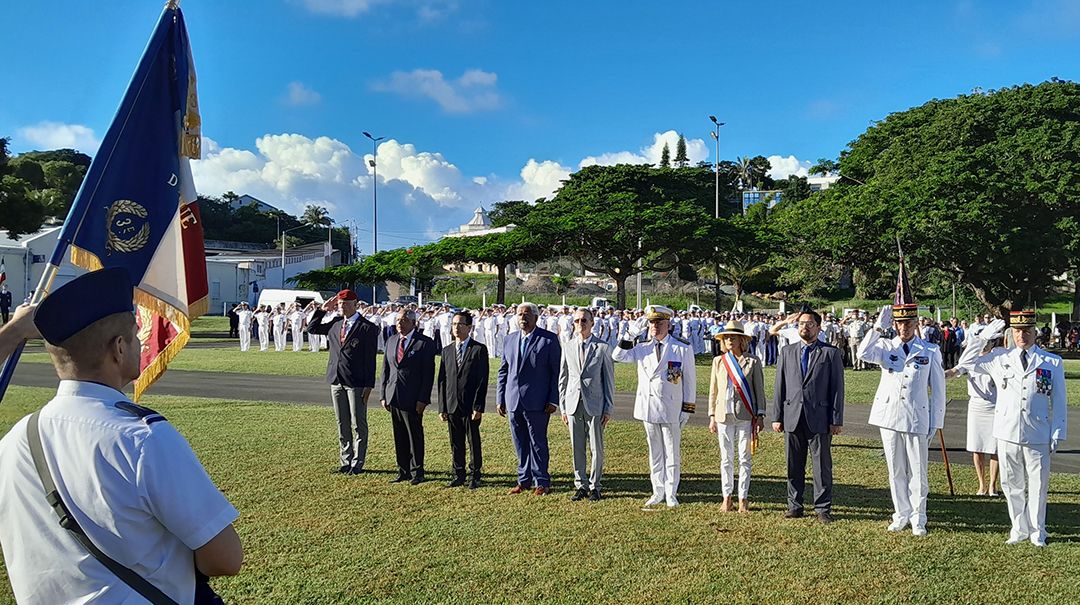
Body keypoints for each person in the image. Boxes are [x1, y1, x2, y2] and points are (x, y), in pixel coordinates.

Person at [0, 268, 242, 604]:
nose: (141, 343)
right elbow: (225, 558)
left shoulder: (15, 440)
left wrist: (12, 332)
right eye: (135, 335)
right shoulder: (140, 438)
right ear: (118, 348)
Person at [956, 312, 1068, 547]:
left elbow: (1059, 401)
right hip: (1007, 431)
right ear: (1011, 334)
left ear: (1035, 333)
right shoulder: (1000, 358)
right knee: (1011, 483)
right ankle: (1018, 528)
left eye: (1026, 331)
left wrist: (1058, 431)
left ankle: (1038, 531)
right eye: (1017, 331)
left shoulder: (1051, 362)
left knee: (1038, 484)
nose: (1022, 336)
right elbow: (966, 364)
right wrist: (980, 338)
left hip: (1038, 431)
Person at [859, 301, 945, 536]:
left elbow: (938, 390)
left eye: (908, 323)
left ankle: (919, 517)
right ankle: (901, 514)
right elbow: (862, 353)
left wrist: (936, 421)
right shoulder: (886, 346)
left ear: (917, 323)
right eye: (900, 323)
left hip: (917, 417)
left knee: (918, 471)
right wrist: (877, 328)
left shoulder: (930, 350)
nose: (904, 327)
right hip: (889, 416)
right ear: (894, 324)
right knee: (896, 469)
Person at [612, 305, 696, 509]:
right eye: (651, 322)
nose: (654, 326)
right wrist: (631, 333)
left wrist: (687, 408)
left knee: (672, 451)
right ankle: (657, 491)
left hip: (671, 407)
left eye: (659, 322)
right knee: (655, 452)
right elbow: (617, 356)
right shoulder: (641, 347)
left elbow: (689, 381)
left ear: (668, 324)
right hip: (648, 406)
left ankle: (671, 492)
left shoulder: (681, 347)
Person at [772, 308, 845, 523]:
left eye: (810, 324)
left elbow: (837, 389)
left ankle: (822, 507)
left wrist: (836, 419)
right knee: (793, 464)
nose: (805, 327)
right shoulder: (787, 352)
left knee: (821, 466)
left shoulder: (830, 353)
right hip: (792, 415)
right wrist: (777, 416)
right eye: (801, 323)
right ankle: (794, 505)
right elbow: (780, 386)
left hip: (819, 417)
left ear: (818, 327)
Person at [306, 290, 379, 474]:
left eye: (346, 303)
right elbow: (312, 329)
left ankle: (358, 463)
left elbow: (370, 359)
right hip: (336, 379)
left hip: (356, 382)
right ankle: (345, 460)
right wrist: (322, 310)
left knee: (358, 423)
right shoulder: (336, 323)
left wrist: (369, 385)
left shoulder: (367, 327)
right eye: (340, 303)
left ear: (355, 304)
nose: (342, 306)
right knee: (342, 422)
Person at [497, 302, 561, 495]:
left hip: (538, 402)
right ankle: (523, 480)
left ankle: (541, 480)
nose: (522, 318)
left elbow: (556, 372)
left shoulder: (548, 340)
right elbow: (503, 371)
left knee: (537, 442)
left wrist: (553, 399)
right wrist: (501, 398)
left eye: (526, 314)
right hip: (513, 400)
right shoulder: (510, 339)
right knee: (520, 442)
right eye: (519, 314)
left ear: (536, 317)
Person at [708, 320, 766, 514]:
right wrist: (712, 416)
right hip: (723, 415)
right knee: (726, 458)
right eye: (726, 337)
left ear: (742, 340)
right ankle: (727, 497)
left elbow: (759, 391)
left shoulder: (753, 361)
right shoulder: (718, 361)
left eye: (733, 336)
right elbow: (713, 391)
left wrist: (760, 415)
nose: (729, 340)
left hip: (745, 415)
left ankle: (743, 498)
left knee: (744, 457)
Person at [558, 308, 615, 502]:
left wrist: (608, 407)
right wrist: (563, 408)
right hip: (573, 403)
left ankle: (595, 486)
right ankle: (580, 484)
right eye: (576, 321)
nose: (580, 324)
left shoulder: (602, 347)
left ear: (592, 323)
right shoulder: (567, 346)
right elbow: (563, 379)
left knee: (596, 448)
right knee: (577, 446)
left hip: (595, 403)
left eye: (584, 320)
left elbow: (608, 380)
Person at [381, 309, 438, 485]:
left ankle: (417, 471)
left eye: (404, 320)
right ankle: (403, 470)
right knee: (399, 435)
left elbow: (428, 374)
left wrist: (423, 399)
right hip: (393, 395)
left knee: (414, 435)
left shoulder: (424, 343)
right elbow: (386, 370)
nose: (400, 323)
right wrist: (383, 394)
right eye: (398, 320)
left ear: (414, 323)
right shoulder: (391, 341)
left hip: (413, 398)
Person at [438, 311, 489, 489]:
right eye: (453, 324)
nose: (456, 328)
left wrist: (478, 406)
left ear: (469, 327)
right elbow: (442, 380)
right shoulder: (447, 350)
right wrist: (442, 406)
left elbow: (482, 379)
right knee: (455, 441)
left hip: (470, 405)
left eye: (460, 324)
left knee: (473, 440)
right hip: (452, 404)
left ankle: (475, 474)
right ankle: (458, 473)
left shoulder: (478, 349)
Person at [946, 336, 1001, 496]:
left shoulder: (997, 359)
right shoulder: (970, 360)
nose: (985, 345)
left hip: (994, 405)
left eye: (988, 342)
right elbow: (955, 371)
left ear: (993, 343)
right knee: (977, 447)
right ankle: (982, 484)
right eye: (982, 342)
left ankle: (993, 485)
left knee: (995, 447)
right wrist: (940, 375)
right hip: (977, 406)